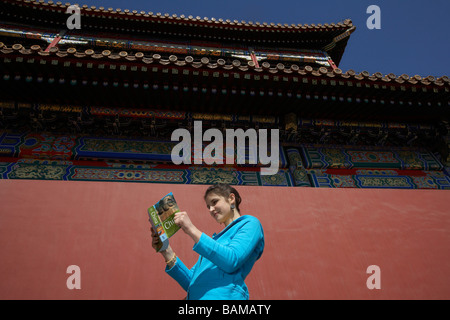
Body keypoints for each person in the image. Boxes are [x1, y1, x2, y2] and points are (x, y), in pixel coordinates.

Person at [150, 183, 265, 300]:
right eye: (208, 206)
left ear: (231, 198)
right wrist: (166, 250)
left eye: (214, 202)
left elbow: (232, 260)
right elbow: (192, 282)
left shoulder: (250, 223)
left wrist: (190, 229)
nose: (211, 209)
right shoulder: (213, 243)